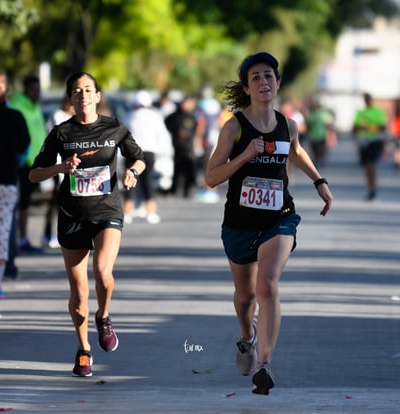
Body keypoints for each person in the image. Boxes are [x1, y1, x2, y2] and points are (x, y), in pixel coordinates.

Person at [205, 52, 333, 395]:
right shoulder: (234, 127)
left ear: (277, 83)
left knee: (268, 286)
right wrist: (245, 155)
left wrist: (319, 181)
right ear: (247, 88)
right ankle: (246, 337)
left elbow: (297, 150)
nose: (264, 82)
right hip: (239, 223)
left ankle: (264, 363)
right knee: (246, 297)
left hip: (279, 218)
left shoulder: (287, 123)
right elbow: (210, 178)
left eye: (269, 76)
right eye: (256, 77)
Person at [29, 72, 145, 377]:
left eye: (88, 90)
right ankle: (83, 350)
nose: (82, 95)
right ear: (70, 98)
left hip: (107, 210)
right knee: (79, 295)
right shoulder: (61, 133)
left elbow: (139, 157)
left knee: (103, 274)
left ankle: (104, 317)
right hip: (72, 216)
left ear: (97, 95)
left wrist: (133, 171)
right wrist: (60, 167)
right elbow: (34, 174)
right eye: (76, 91)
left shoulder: (114, 127)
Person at [0, 67, 30, 298]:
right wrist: (14, 163)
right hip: (5, 181)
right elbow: (25, 148)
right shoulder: (15, 117)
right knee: (1, 233)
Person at [123, 90, 173, 224]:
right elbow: (163, 136)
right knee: (148, 182)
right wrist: (167, 153)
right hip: (149, 153)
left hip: (131, 152)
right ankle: (151, 212)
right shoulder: (154, 116)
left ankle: (128, 213)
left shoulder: (128, 116)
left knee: (130, 181)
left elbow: (122, 135)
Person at [10, 74, 47, 253]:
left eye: (38, 90)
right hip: (21, 162)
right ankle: (19, 239)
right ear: (25, 90)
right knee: (19, 203)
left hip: (35, 163)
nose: (36, 93)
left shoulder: (35, 107)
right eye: (33, 90)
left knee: (24, 203)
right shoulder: (18, 107)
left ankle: (21, 239)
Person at [42, 95, 75, 248]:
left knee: (71, 202)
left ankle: (69, 232)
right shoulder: (58, 115)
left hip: (71, 167)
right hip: (57, 166)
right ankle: (49, 234)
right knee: (56, 202)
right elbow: (59, 139)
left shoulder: (74, 117)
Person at [352, 93, 387, 200]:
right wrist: (365, 128)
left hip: (375, 141)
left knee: (371, 164)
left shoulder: (378, 112)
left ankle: (373, 189)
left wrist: (367, 128)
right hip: (364, 142)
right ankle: (371, 188)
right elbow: (355, 128)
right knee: (367, 166)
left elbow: (382, 127)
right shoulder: (360, 112)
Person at [165, 96, 198, 198]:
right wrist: (177, 132)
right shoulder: (174, 116)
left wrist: (189, 135)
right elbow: (167, 125)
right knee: (176, 169)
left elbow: (194, 129)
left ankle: (187, 190)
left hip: (187, 147)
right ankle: (174, 190)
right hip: (176, 146)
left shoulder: (191, 116)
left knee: (188, 168)